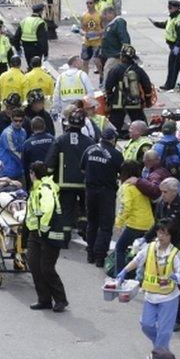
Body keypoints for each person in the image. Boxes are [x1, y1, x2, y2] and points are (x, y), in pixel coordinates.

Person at [118, 219, 180, 355]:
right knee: (146, 325)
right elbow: (137, 260)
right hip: (150, 296)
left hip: (168, 298)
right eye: (159, 233)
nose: (161, 237)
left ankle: (159, 355)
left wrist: (176, 277)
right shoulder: (150, 247)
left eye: (165, 234)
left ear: (171, 237)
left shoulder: (176, 255)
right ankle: (162, 349)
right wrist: (124, 271)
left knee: (164, 331)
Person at [143, 178, 180, 331]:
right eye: (161, 192)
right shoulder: (162, 204)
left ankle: (177, 319)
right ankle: (170, 309)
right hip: (165, 248)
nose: (162, 195)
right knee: (165, 282)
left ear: (175, 191)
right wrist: (145, 239)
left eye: (165, 192)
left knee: (179, 284)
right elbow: (158, 224)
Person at [25, 161, 68, 312]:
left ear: (33, 174)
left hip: (48, 234)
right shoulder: (35, 189)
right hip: (35, 233)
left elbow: (48, 209)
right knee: (34, 265)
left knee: (47, 268)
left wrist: (42, 228)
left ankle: (61, 300)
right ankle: (44, 300)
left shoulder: (45, 188)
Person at [44, 109, 93, 240]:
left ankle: (65, 238)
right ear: (83, 125)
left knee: (66, 209)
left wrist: (47, 177)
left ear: (68, 124)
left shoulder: (60, 140)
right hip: (84, 182)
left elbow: (50, 163)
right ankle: (83, 229)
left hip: (64, 182)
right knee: (84, 208)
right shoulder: (89, 142)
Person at [81, 127, 124, 267]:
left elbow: (82, 168)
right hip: (106, 192)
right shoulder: (116, 154)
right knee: (105, 226)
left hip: (90, 191)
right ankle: (100, 256)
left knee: (92, 223)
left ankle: (90, 254)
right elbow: (122, 173)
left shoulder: (89, 150)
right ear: (112, 139)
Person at [113, 160, 154, 273]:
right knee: (142, 251)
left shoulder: (127, 187)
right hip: (149, 223)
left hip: (135, 224)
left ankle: (120, 275)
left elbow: (125, 206)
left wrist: (118, 223)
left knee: (120, 247)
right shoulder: (141, 184)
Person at [104, 45, 153, 129]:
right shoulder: (138, 70)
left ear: (122, 57)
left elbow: (108, 86)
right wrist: (147, 100)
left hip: (118, 104)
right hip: (135, 103)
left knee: (113, 129)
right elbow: (147, 85)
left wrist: (109, 99)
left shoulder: (115, 69)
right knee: (142, 128)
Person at [147, 0, 180, 91]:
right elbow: (166, 24)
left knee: (173, 64)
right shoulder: (173, 17)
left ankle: (170, 85)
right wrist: (155, 23)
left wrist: (177, 48)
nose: (169, 10)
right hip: (174, 45)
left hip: (177, 45)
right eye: (168, 8)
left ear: (176, 8)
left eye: (170, 8)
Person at [153, 121, 180, 195]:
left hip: (162, 186)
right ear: (174, 132)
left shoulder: (156, 147)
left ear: (162, 132)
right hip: (179, 186)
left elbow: (150, 167)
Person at [0, 108, 27, 180]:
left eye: (20, 121)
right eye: (15, 120)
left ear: (23, 120)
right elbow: (13, 151)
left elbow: (22, 149)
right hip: (5, 171)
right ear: (11, 119)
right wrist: (25, 162)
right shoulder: (7, 133)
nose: (18, 123)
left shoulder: (23, 132)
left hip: (18, 170)